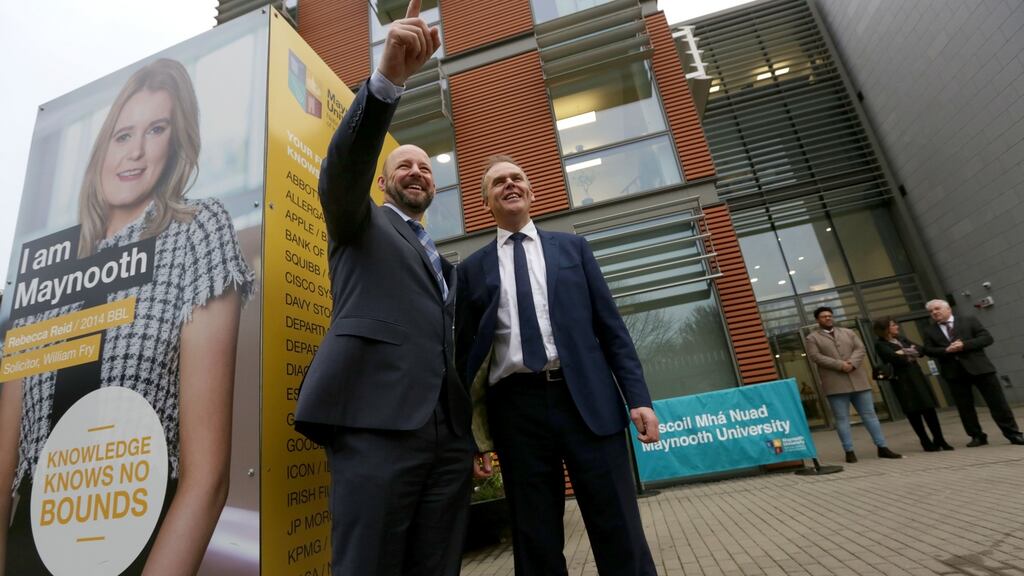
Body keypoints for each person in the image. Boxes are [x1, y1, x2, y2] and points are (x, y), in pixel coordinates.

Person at [0, 58, 254, 575]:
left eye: (156, 129)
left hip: (142, 548)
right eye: (123, 134)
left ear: (176, 143)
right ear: (103, 148)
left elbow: (207, 479)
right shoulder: (48, 267)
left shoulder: (196, 233)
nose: (135, 151)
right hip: (28, 550)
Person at [292, 2, 473, 574]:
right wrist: (387, 83)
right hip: (375, 426)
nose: (417, 171)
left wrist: (466, 436)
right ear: (382, 180)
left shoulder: (441, 262)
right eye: (404, 166)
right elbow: (342, 170)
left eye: (426, 168)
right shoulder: (359, 221)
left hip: (445, 437)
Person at [456, 156, 660, 576]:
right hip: (516, 410)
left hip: (587, 400)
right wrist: (473, 438)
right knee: (535, 537)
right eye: (498, 182)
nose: (510, 184)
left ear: (531, 192)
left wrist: (638, 398)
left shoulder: (573, 249)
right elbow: (467, 359)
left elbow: (612, 329)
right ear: (485, 202)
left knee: (618, 525)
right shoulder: (470, 270)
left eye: (517, 178)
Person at [921, 299, 1024, 447]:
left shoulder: (968, 320)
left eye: (937, 309)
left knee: (997, 403)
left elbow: (987, 338)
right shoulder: (929, 330)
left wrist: (964, 345)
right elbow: (928, 350)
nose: (934, 313)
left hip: (980, 369)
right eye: (931, 311)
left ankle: (1013, 434)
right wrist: (945, 350)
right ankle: (977, 436)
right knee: (965, 408)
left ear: (948, 309)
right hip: (954, 373)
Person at [804, 306, 902, 463]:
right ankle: (849, 451)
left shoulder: (848, 332)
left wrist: (851, 363)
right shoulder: (812, 338)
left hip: (858, 381)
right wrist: (840, 365)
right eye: (824, 316)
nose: (828, 318)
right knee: (842, 419)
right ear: (817, 320)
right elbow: (815, 356)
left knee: (870, 415)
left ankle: (882, 447)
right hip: (835, 384)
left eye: (830, 315)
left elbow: (860, 348)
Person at [871, 317, 953, 452]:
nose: (897, 326)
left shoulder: (902, 339)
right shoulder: (880, 344)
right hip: (902, 382)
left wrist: (904, 352)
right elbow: (895, 359)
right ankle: (925, 441)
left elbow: (920, 350)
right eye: (893, 325)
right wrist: (908, 352)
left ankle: (939, 439)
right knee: (913, 411)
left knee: (929, 408)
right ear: (885, 329)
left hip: (917, 377)